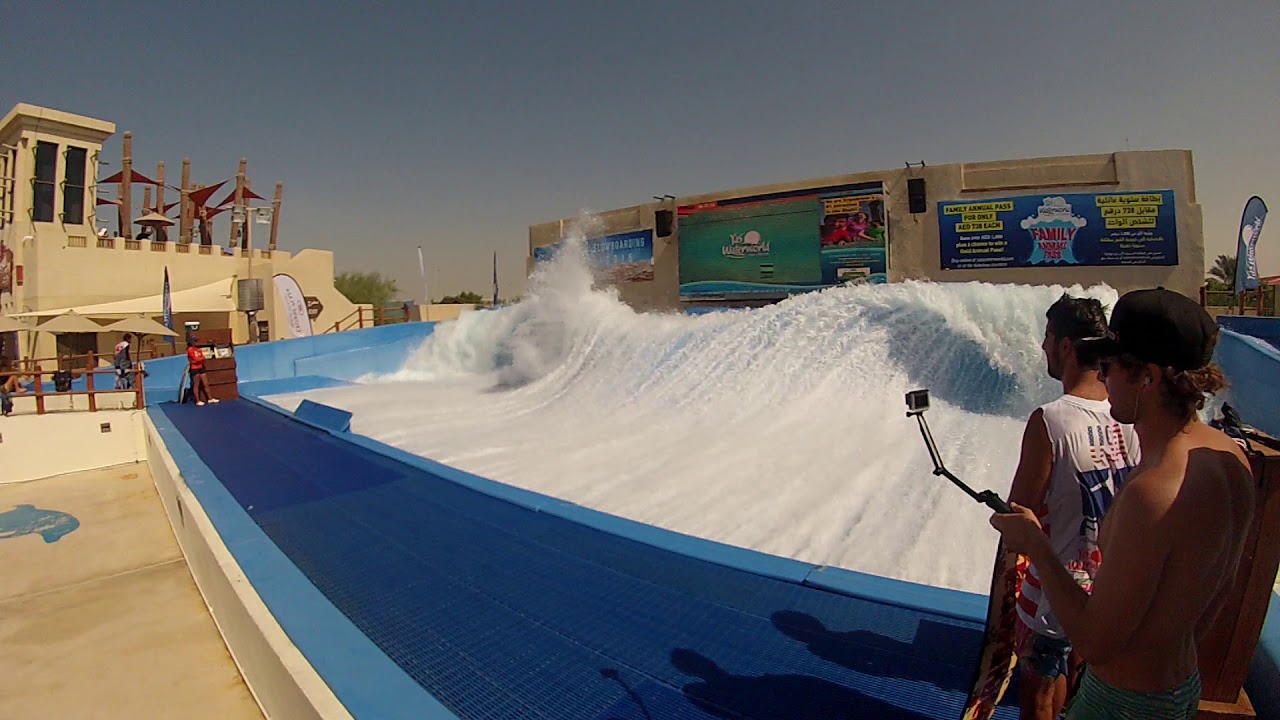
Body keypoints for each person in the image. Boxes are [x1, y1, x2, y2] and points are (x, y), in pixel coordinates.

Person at [991, 287, 1255, 719]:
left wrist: (1036, 544)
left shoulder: (1152, 492)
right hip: (1181, 684)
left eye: (1109, 366)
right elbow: (1217, 593)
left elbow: (1093, 644)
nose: (1103, 376)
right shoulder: (1228, 456)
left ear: (1146, 377)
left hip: (1124, 702)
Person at [1005, 294, 1140, 720]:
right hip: (1114, 581)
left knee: (1038, 685)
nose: (1043, 346)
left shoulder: (1050, 419)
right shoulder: (1130, 415)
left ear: (1065, 346)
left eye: (1047, 337)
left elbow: (1019, 510)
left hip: (1059, 588)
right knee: (1077, 674)